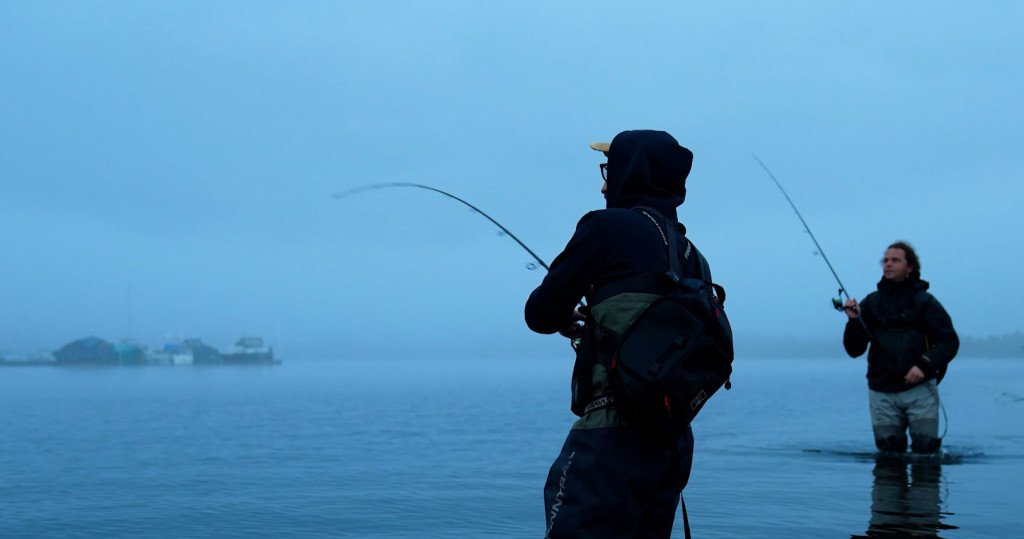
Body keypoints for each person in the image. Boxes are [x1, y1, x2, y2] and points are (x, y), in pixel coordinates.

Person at [525, 130, 714, 538]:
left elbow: (539, 314)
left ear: (634, 173)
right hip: (673, 439)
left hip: (612, 435)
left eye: (610, 171)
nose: (603, 185)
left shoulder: (607, 227)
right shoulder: (693, 257)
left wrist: (563, 316)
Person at [843, 241, 959, 454]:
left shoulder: (926, 302)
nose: (888, 264)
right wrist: (853, 321)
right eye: (886, 260)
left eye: (895, 260)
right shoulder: (871, 303)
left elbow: (949, 342)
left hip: (921, 390)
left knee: (925, 451)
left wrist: (923, 366)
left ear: (910, 267)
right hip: (881, 391)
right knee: (888, 455)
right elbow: (854, 350)